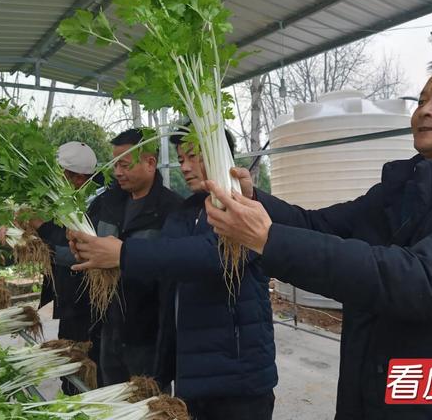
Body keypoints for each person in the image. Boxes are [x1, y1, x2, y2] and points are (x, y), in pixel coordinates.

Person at [203, 51, 432, 419]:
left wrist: (267, 239)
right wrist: (253, 199)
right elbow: (318, 226)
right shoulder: (399, 189)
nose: (424, 110)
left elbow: (419, 281)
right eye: (421, 100)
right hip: (368, 390)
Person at [68, 128, 278, 420]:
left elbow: (208, 255)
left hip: (238, 376)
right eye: (181, 158)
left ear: (222, 157)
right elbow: (167, 263)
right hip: (191, 372)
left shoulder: (247, 208)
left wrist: (123, 254)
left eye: (193, 157)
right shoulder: (184, 211)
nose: (185, 166)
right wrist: (98, 253)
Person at [0, 141, 102, 393]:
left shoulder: (95, 206)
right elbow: (46, 246)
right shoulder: (59, 202)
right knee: (69, 363)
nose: (54, 181)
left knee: (86, 365)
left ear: (77, 178)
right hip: (68, 299)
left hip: (87, 301)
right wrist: (15, 238)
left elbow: (69, 251)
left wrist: (39, 227)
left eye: (59, 175)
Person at [96, 128, 183, 386]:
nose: (117, 172)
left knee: (148, 404)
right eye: (115, 165)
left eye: (124, 164)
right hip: (109, 327)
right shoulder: (107, 203)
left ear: (150, 163)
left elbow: (174, 271)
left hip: (148, 334)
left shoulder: (172, 210)